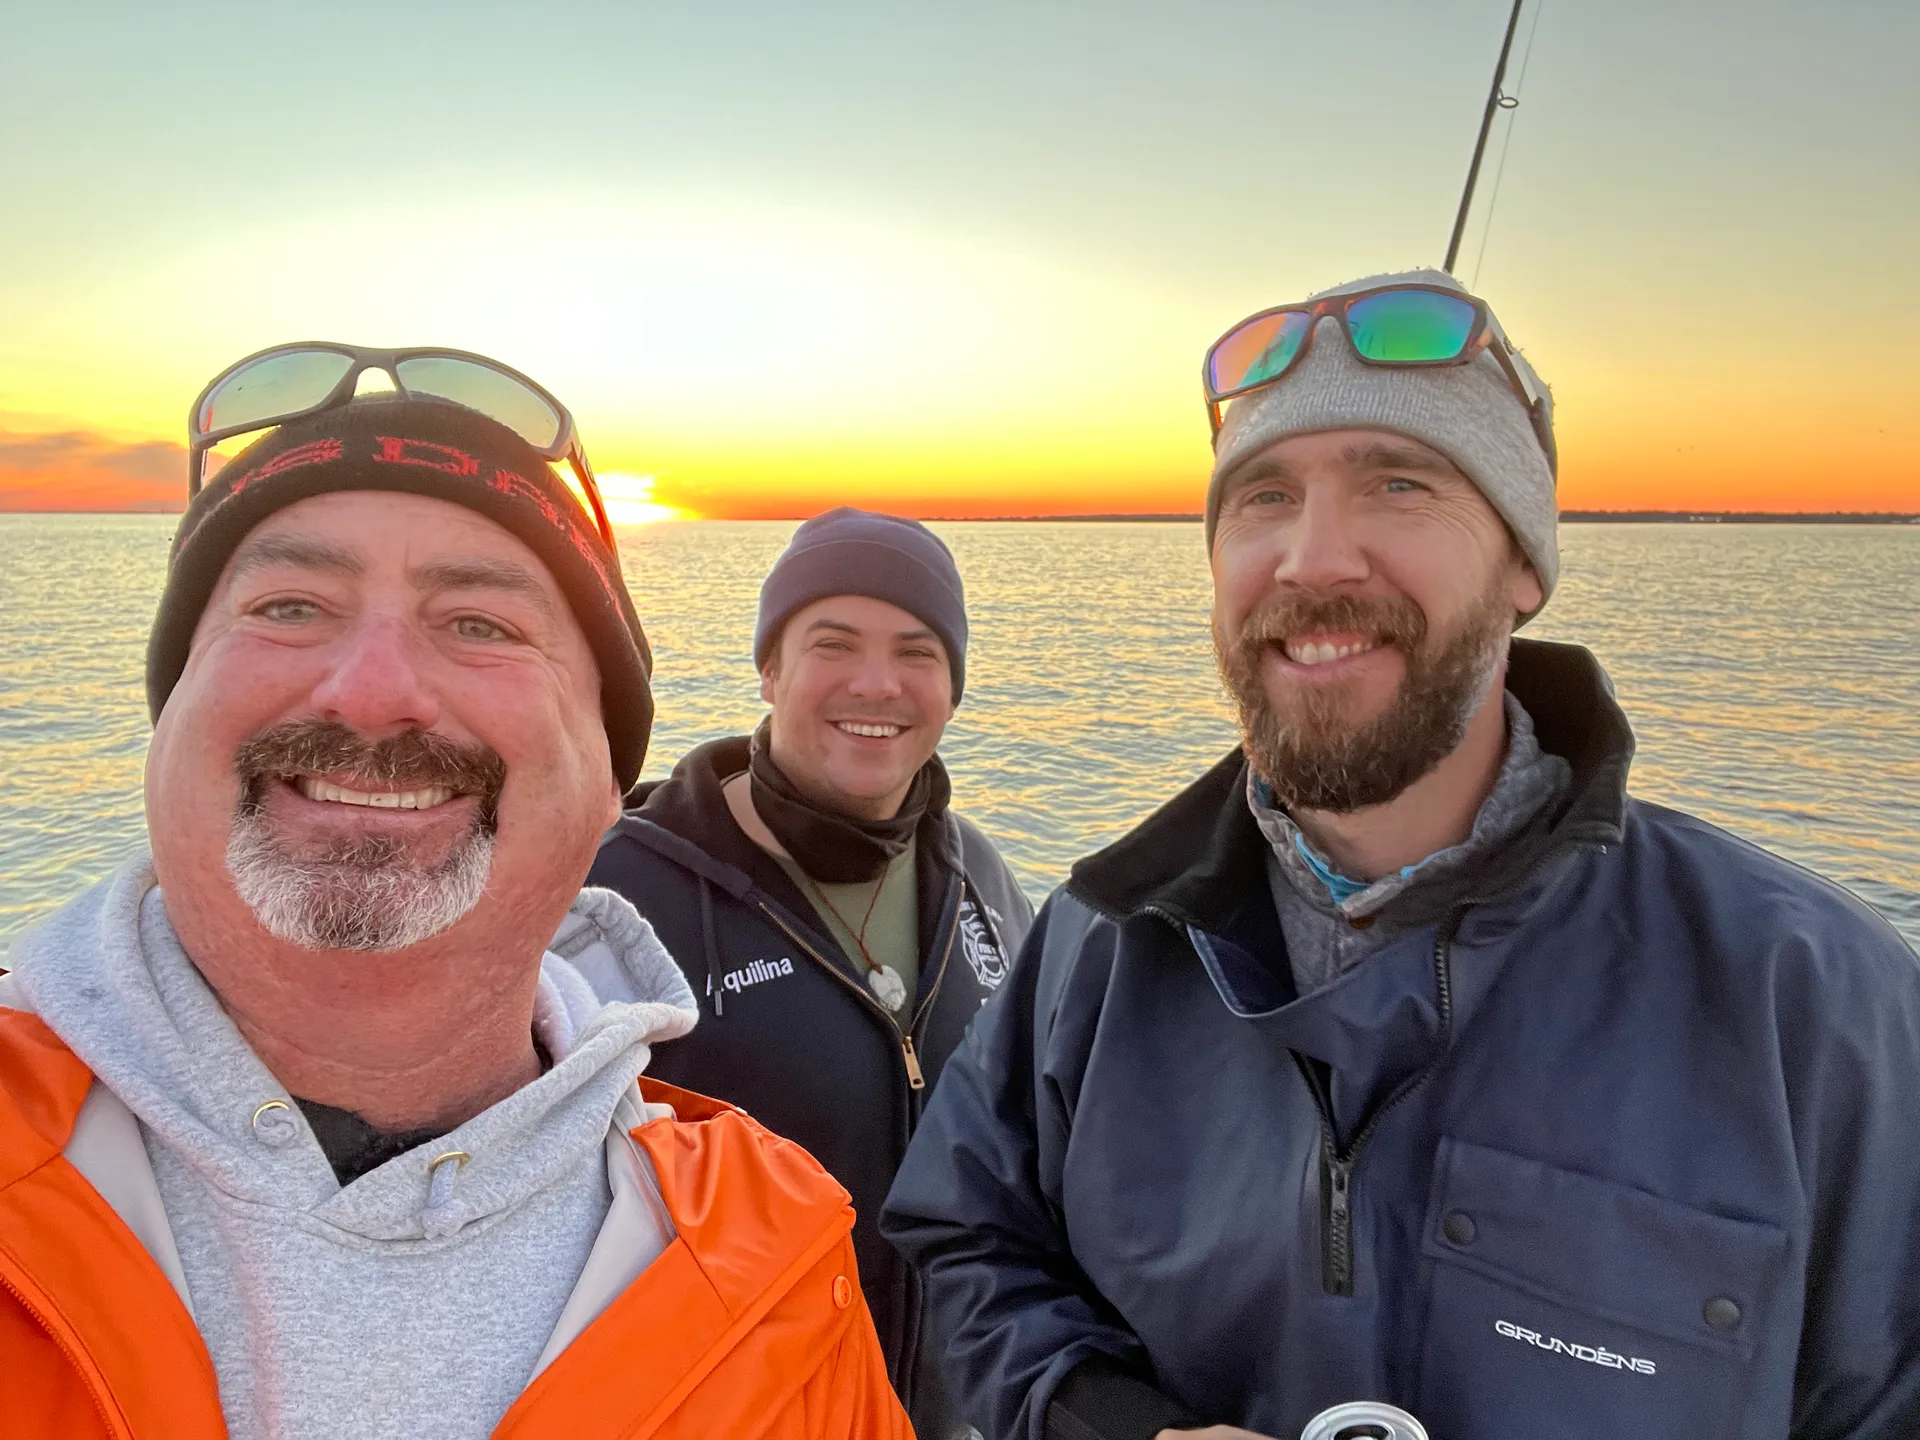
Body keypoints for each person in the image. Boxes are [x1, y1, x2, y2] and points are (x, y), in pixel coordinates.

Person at [881, 271, 1920, 1440]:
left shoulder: (1813, 1005)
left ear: (1523, 567)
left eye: (1398, 483)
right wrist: (1111, 1425)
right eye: (1264, 497)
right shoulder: (1102, 945)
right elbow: (964, 1241)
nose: (1315, 560)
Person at [0, 349, 909, 1440]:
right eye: (290, 605)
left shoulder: (785, 1270)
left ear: (605, 777)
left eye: (480, 623)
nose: (373, 689)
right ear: (174, 708)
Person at [584, 507, 1035, 1438]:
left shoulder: (981, 879)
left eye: (918, 650)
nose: (879, 683)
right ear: (771, 668)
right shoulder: (613, 893)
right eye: (835, 643)